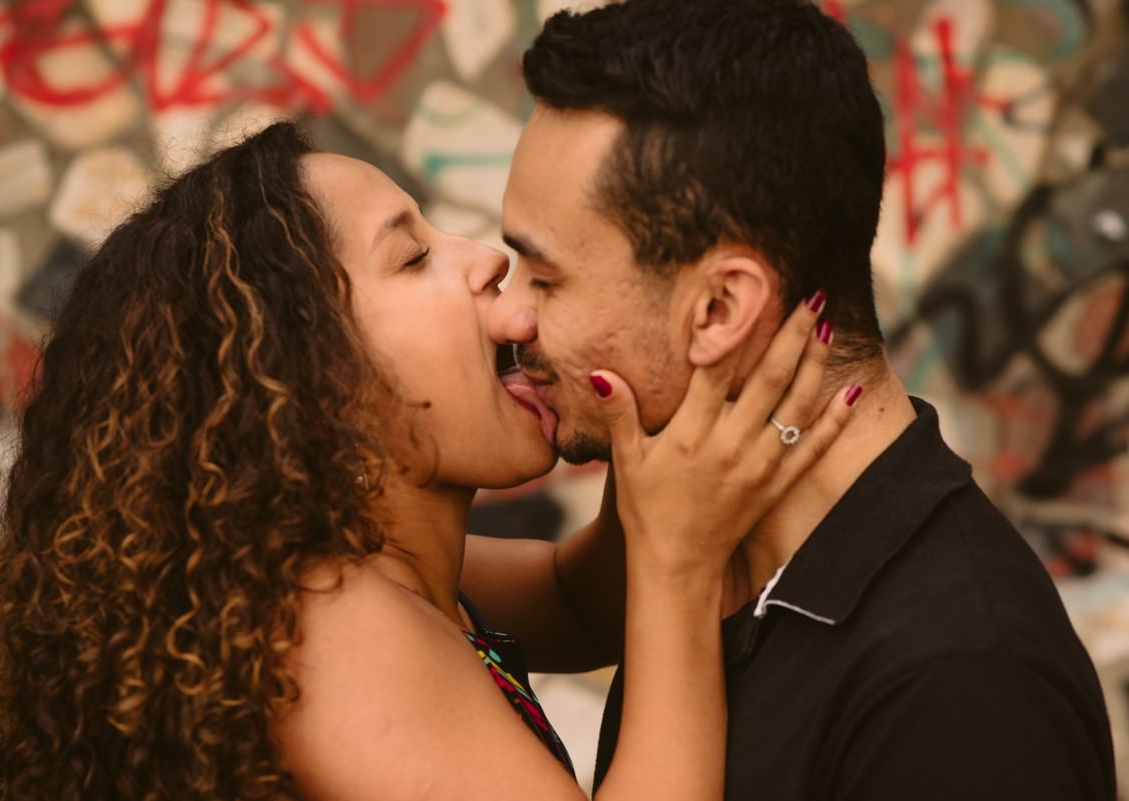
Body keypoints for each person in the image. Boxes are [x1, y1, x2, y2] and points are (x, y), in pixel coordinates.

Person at [0, 122, 854, 801]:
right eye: (414, 255)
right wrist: (679, 560)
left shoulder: (388, 576)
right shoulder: (329, 627)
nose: (484, 260)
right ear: (311, 379)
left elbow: (581, 601)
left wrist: (656, 387)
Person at [462, 1, 1118, 798]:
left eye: (545, 277)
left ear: (718, 309)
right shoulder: (701, 540)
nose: (511, 314)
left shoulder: (962, 688)